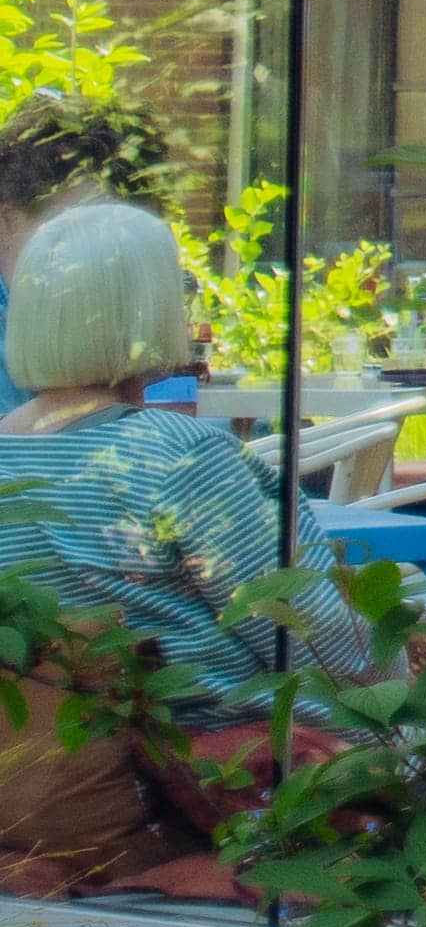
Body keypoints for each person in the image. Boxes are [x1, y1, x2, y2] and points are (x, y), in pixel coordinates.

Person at [0, 197, 344, 718]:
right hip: (218, 773)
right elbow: (320, 640)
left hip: (65, 772)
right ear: (150, 311)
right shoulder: (181, 455)